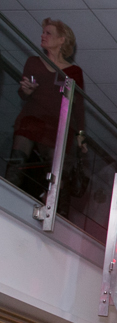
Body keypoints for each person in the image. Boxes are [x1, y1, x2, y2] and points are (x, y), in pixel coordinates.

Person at [6, 19, 85, 200]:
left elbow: (78, 106)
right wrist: (27, 90)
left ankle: (51, 208)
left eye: (48, 33)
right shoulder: (34, 62)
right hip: (31, 119)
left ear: (61, 40)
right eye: (43, 32)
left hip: (57, 126)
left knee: (56, 176)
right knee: (16, 163)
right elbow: (23, 93)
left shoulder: (74, 72)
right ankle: (5, 200)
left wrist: (81, 134)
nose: (43, 36)